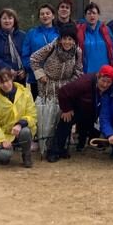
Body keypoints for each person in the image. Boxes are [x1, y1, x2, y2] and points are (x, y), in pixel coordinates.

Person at [30, 24, 83, 155]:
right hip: (47, 88)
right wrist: (40, 75)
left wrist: (69, 85)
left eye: (70, 39)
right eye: (64, 38)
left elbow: (78, 71)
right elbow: (34, 59)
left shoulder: (77, 52)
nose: (67, 42)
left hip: (65, 91)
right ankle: (45, 147)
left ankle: (59, 147)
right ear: (60, 39)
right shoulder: (52, 47)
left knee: (62, 119)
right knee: (47, 120)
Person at [50, 65, 113, 162]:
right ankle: (55, 151)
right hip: (75, 106)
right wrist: (66, 109)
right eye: (103, 81)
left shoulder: (111, 86)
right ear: (98, 76)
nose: (105, 85)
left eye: (108, 82)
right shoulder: (84, 82)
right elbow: (63, 91)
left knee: (91, 122)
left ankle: (83, 144)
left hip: (91, 108)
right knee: (65, 122)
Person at [0, 68, 37, 168]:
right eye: (1, 83)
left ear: (12, 79)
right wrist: (1, 139)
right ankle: (5, 151)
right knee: (4, 157)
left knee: (25, 132)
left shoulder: (25, 93)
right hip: (5, 134)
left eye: (7, 81)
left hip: (21, 130)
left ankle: (26, 154)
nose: (5, 85)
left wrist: (20, 124)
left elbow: (32, 115)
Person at [21, 3, 59, 96]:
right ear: (39, 17)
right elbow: (25, 55)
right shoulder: (32, 33)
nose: (45, 16)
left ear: (53, 16)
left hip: (55, 78)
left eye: (47, 13)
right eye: (42, 14)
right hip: (36, 78)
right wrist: (37, 72)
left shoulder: (59, 32)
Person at [0, 8, 28, 86]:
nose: (7, 21)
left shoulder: (23, 36)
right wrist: (7, 69)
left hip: (20, 76)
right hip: (2, 75)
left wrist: (25, 70)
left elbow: (27, 54)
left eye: (10, 18)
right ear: (0, 20)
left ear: (14, 20)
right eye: (4, 18)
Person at [76, 2, 113, 74]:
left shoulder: (106, 30)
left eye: (94, 13)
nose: (92, 16)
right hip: (86, 73)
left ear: (98, 15)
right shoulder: (79, 31)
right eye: (89, 13)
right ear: (85, 16)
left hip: (105, 74)